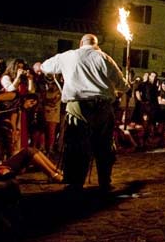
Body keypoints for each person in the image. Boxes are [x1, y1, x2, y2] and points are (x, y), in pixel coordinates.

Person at [34, 34, 128, 193]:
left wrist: (39, 66)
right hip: (103, 107)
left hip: (78, 106)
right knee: (104, 146)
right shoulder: (104, 58)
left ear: (80, 43)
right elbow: (123, 86)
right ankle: (105, 182)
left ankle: (75, 183)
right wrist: (116, 88)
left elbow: (43, 67)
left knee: (76, 144)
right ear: (96, 45)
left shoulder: (68, 56)